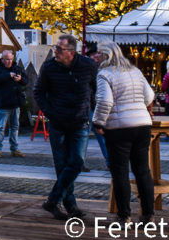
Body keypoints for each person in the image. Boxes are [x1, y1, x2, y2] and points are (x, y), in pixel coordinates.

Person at [92, 40, 156, 225]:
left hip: (119, 128)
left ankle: (124, 216)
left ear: (106, 55)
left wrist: (98, 122)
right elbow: (149, 96)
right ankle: (148, 215)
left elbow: (105, 102)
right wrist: (138, 109)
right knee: (143, 170)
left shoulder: (104, 74)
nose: (96, 57)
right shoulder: (135, 71)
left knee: (120, 172)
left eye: (98, 54)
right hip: (142, 125)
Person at [34, 34, 97, 220]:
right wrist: (49, 112)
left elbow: (96, 89)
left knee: (76, 162)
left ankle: (53, 200)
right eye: (56, 48)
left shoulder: (88, 66)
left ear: (71, 51)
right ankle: (70, 205)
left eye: (60, 49)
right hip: (58, 123)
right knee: (62, 166)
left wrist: (90, 109)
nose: (56, 52)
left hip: (80, 122)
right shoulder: (49, 67)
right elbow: (38, 92)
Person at [0, 50, 26, 158]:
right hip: (3, 103)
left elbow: (26, 81)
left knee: (15, 127)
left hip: (15, 103)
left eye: (10, 59)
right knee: (0, 127)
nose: (9, 61)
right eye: (7, 59)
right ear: (2, 59)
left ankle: (14, 149)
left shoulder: (17, 68)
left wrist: (20, 79)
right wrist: (8, 75)